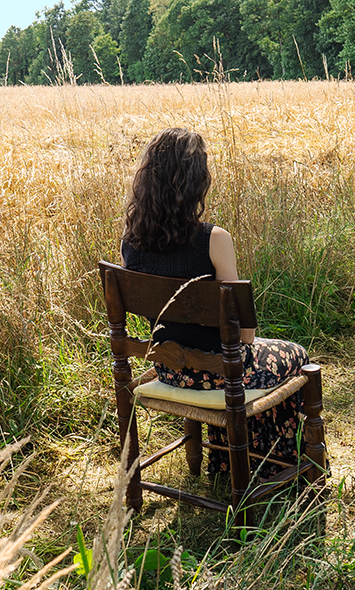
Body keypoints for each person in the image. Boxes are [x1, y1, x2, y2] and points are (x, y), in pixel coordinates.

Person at [119, 127, 310, 473]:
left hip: (168, 369)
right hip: (221, 376)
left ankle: (225, 461)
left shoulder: (130, 244)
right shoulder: (213, 240)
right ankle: (270, 466)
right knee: (296, 355)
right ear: (197, 183)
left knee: (245, 358)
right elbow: (246, 336)